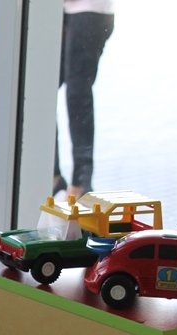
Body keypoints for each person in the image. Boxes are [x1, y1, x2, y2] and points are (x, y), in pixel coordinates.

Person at [53, 0, 115, 199]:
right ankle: (53, 173)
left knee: (77, 96)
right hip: (65, 13)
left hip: (87, 12)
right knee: (40, 89)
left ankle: (81, 181)